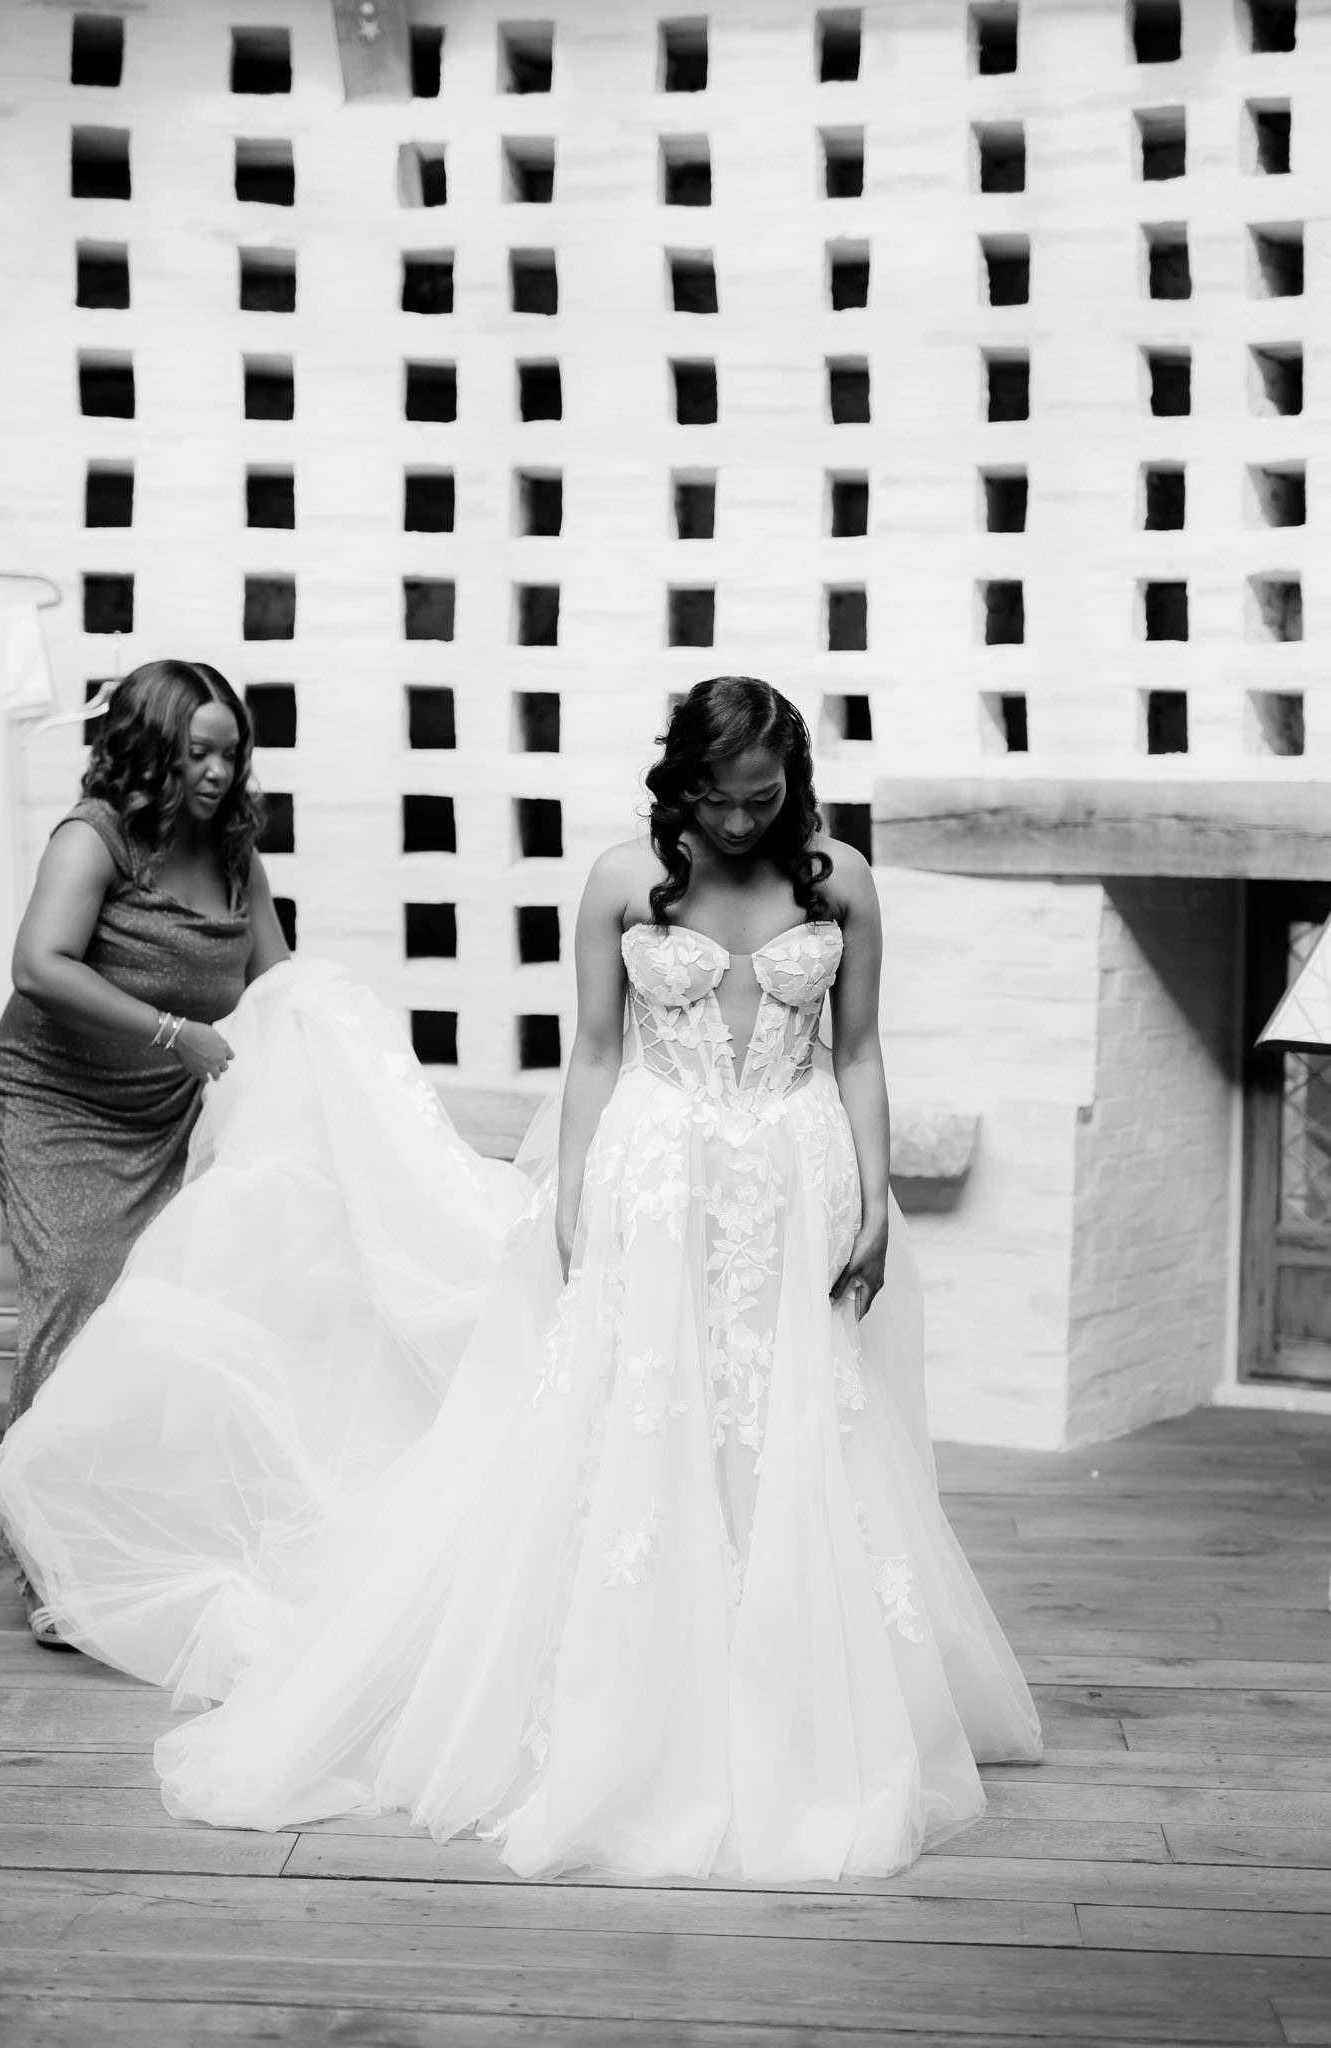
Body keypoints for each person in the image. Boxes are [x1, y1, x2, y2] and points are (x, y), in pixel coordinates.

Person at [148, 676, 1042, 1882]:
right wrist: (573, 1194)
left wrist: (874, 1196)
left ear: (794, 785)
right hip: (659, 1172)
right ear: (686, 784)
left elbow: (865, 1047)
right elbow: (597, 1049)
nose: (740, 822)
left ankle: (793, 1697)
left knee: (789, 1428)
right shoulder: (626, 877)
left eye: (763, 798)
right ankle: (631, 1703)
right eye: (720, 800)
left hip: (792, 1171)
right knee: (641, 1421)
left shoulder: (841, 878)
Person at [0, 659, 288, 1641]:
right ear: (149, 746)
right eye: (195, 750)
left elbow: (280, 979)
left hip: (167, 1109)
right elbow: (38, 963)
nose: (216, 769)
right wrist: (174, 1032)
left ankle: (127, 1532)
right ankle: (44, 1555)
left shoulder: (237, 854)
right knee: (80, 1284)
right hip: (56, 1100)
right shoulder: (97, 834)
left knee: (173, 1298)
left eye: (229, 749)